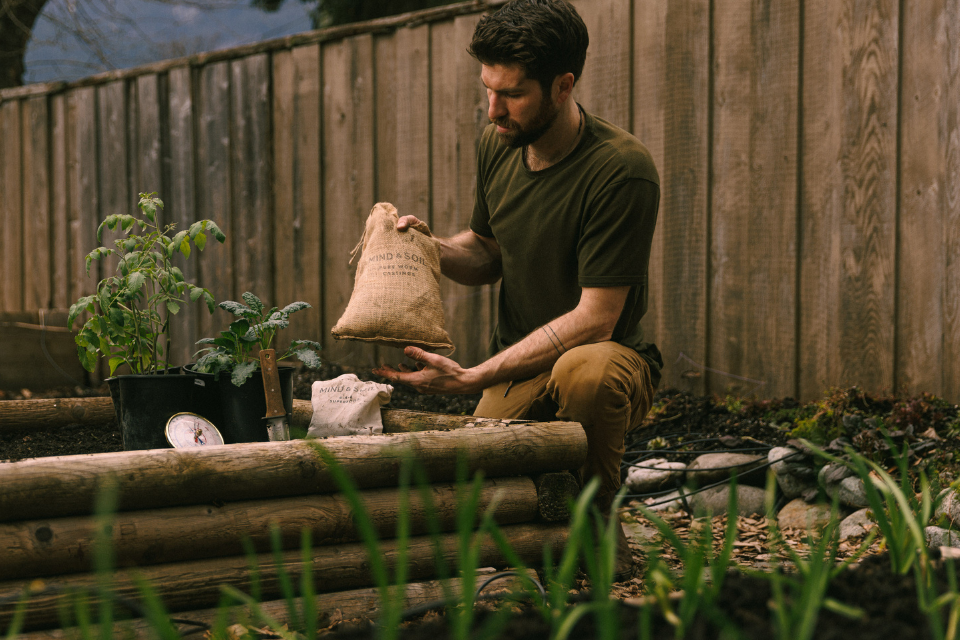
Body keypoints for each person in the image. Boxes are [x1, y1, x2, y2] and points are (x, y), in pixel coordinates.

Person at [372, 0, 661, 579]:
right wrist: (427, 246)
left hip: (608, 358)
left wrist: (475, 375)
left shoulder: (620, 170)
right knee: (486, 503)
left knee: (588, 372)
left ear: (563, 85)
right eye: (487, 89)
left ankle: (598, 530)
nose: (493, 109)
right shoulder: (498, 144)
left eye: (512, 94)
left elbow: (597, 318)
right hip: (522, 367)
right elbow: (486, 253)